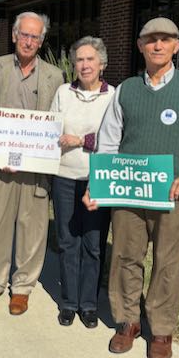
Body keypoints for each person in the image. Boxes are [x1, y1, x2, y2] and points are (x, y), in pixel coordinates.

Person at [82, 17, 179, 358]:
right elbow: (108, 141)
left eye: (165, 39)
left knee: (168, 262)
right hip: (129, 191)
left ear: (176, 45)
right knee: (125, 258)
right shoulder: (126, 90)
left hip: (174, 192)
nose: (158, 45)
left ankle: (161, 328)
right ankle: (128, 321)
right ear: (140, 46)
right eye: (150, 40)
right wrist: (97, 185)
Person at [0, 11, 64, 315]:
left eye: (35, 36)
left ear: (41, 41)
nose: (29, 41)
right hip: (1, 167)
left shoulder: (55, 75)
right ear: (14, 35)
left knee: (33, 227)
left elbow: (57, 123)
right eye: (24, 34)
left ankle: (23, 287)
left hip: (36, 167)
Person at [50, 36, 115, 328]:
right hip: (64, 176)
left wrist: (80, 139)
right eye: (80, 59)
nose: (85, 65)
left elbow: (116, 137)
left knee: (93, 243)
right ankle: (68, 302)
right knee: (67, 241)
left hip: (97, 177)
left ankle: (89, 305)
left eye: (91, 59)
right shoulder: (64, 93)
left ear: (101, 63)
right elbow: (50, 130)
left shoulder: (113, 96)